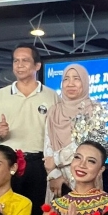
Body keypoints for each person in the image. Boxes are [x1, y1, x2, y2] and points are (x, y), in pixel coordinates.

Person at [0, 45, 57, 215]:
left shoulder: (52, 96)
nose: (19, 65)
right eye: (16, 60)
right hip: (10, 164)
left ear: (37, 66)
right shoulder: (1, 95)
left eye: (25, 60)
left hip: (39, 164)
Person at [44, 64, 96, 198]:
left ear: (84, 82)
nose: (70, 84)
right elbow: (47, 145)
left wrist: (54, 159)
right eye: (66, 79)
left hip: (85, 174)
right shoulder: (53, 111)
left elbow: (86, 146)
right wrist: (53, 173)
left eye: (76, 79)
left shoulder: (94, 110)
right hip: (56, 178)